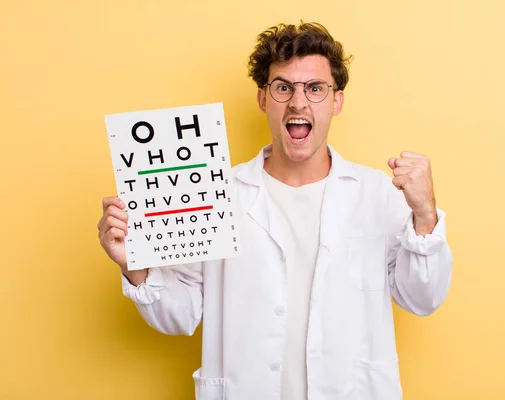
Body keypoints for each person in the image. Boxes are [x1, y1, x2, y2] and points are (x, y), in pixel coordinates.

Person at [97, 22, 453, 400]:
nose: (298, 102)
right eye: (283, 87)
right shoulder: (217, 195)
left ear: (337, 101)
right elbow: (180, 316)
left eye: (315, 89)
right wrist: (134, 266)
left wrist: (425, 216)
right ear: (263, 99)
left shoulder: (379, 193)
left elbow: (422, 298)